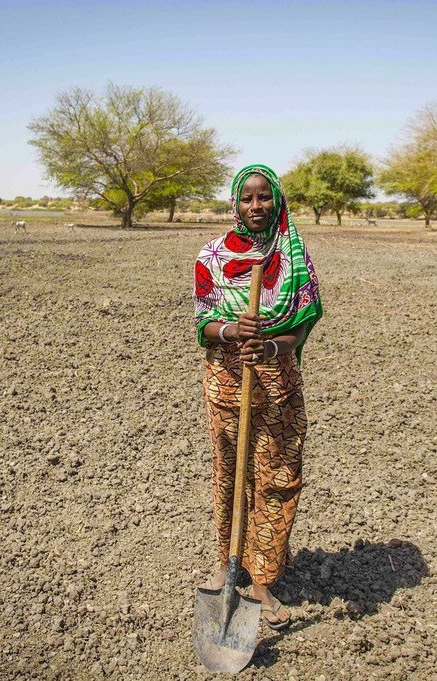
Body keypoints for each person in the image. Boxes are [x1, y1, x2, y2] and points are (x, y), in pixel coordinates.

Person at [193, 164, 323, 630]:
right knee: (230, 475)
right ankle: (229, 565)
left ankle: (262, 579)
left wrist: (269, 344)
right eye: (246, 198)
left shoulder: (292, 253)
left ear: (277, 200)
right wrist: (231, 330)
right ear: (235, 202)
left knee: (278, 478)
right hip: (228, 386)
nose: (255, 206)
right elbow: (203, 324)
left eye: (263, 197)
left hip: (279, 387)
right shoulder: (210, 255)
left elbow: (302, 324)